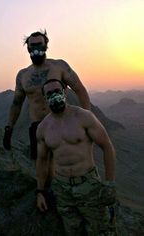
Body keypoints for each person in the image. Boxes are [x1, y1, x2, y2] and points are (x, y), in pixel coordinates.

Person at [36, 79, 117, 235]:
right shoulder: (43, 128)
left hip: (89, 186)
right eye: (50, 93)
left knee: (101, 231)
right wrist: (40, 192)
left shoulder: (84, 117)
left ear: (65, 91)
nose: (55, 96)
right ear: (45, 98)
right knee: (72, 231)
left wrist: (109, 184)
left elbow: (107, 146)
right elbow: (42, 161)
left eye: (58, 91)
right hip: (63, 191)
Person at [3, 30, 91, 161]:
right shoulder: (23, 75)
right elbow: (17, 104)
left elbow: (80, 90)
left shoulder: (59, 66)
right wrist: (9, 128)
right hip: (38, 128)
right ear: (28, 48)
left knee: (67, 163)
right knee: (41, 167)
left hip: (62, 122)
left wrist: (87, 119)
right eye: (32, 45)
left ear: (46, 45)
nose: (36, 48)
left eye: (39, 44)